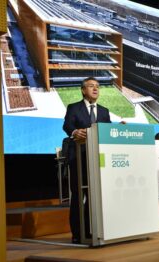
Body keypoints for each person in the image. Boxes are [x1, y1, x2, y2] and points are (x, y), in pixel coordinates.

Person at [63, 77, 111, 244]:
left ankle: (92, 230)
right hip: (79, 157)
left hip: (98, 158)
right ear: (83, 90)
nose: (95, 89)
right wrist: (75, 132)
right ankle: (77, 233)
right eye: (91, 86)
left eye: (97, 86)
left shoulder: (104, 111)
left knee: (94, 195)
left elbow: (108, 130)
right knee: (78, 195)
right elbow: (67, 125)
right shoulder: (74, 107)